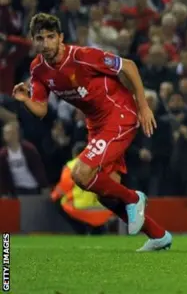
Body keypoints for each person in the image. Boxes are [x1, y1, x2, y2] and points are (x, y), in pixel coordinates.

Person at [13, 13, 173, 251]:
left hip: (119, 114)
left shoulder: (82, 56)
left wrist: (143, 105)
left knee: (81, 174)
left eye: (50, 37)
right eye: (40, 38)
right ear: (34, 41)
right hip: (96, 125)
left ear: (61, 37)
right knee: (105, 193)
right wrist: (24, 99)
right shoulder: (38, 69)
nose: (45, 43)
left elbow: (128, 66)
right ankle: (158, 235)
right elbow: (41, 110)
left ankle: (134, 198)